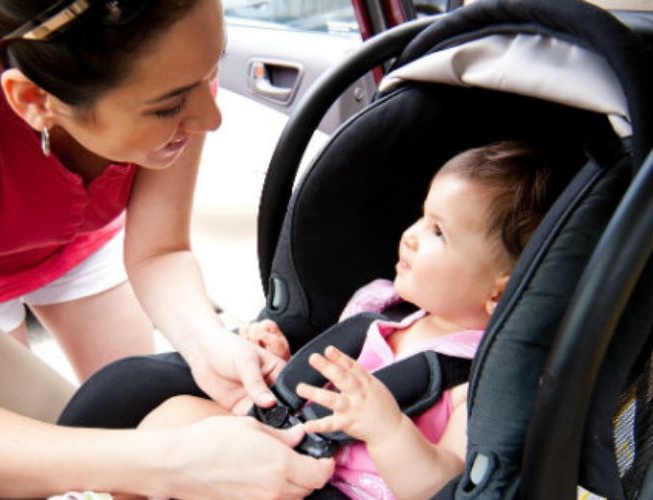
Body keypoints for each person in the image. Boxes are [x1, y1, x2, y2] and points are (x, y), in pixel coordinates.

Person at [0, 0, 333, 498]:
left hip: (78, 241)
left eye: (211, 71)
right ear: (34, 99)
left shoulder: (173, 60)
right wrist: (170, 463)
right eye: (169, 106)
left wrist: (210, 344)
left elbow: (159, 251)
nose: (211, 119)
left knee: (123, 403)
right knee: (21, 459)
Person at [141, 141, 557, 499]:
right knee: (173, 417)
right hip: (291, 452)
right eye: (422, 216)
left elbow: (442, 486)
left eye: (438, 233)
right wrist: (283, 368)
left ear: (498, 292)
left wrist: (389, 430)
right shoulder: (378, 308)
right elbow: (320, 403)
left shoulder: (481, 378)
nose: (411, 234)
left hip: (351, 491)